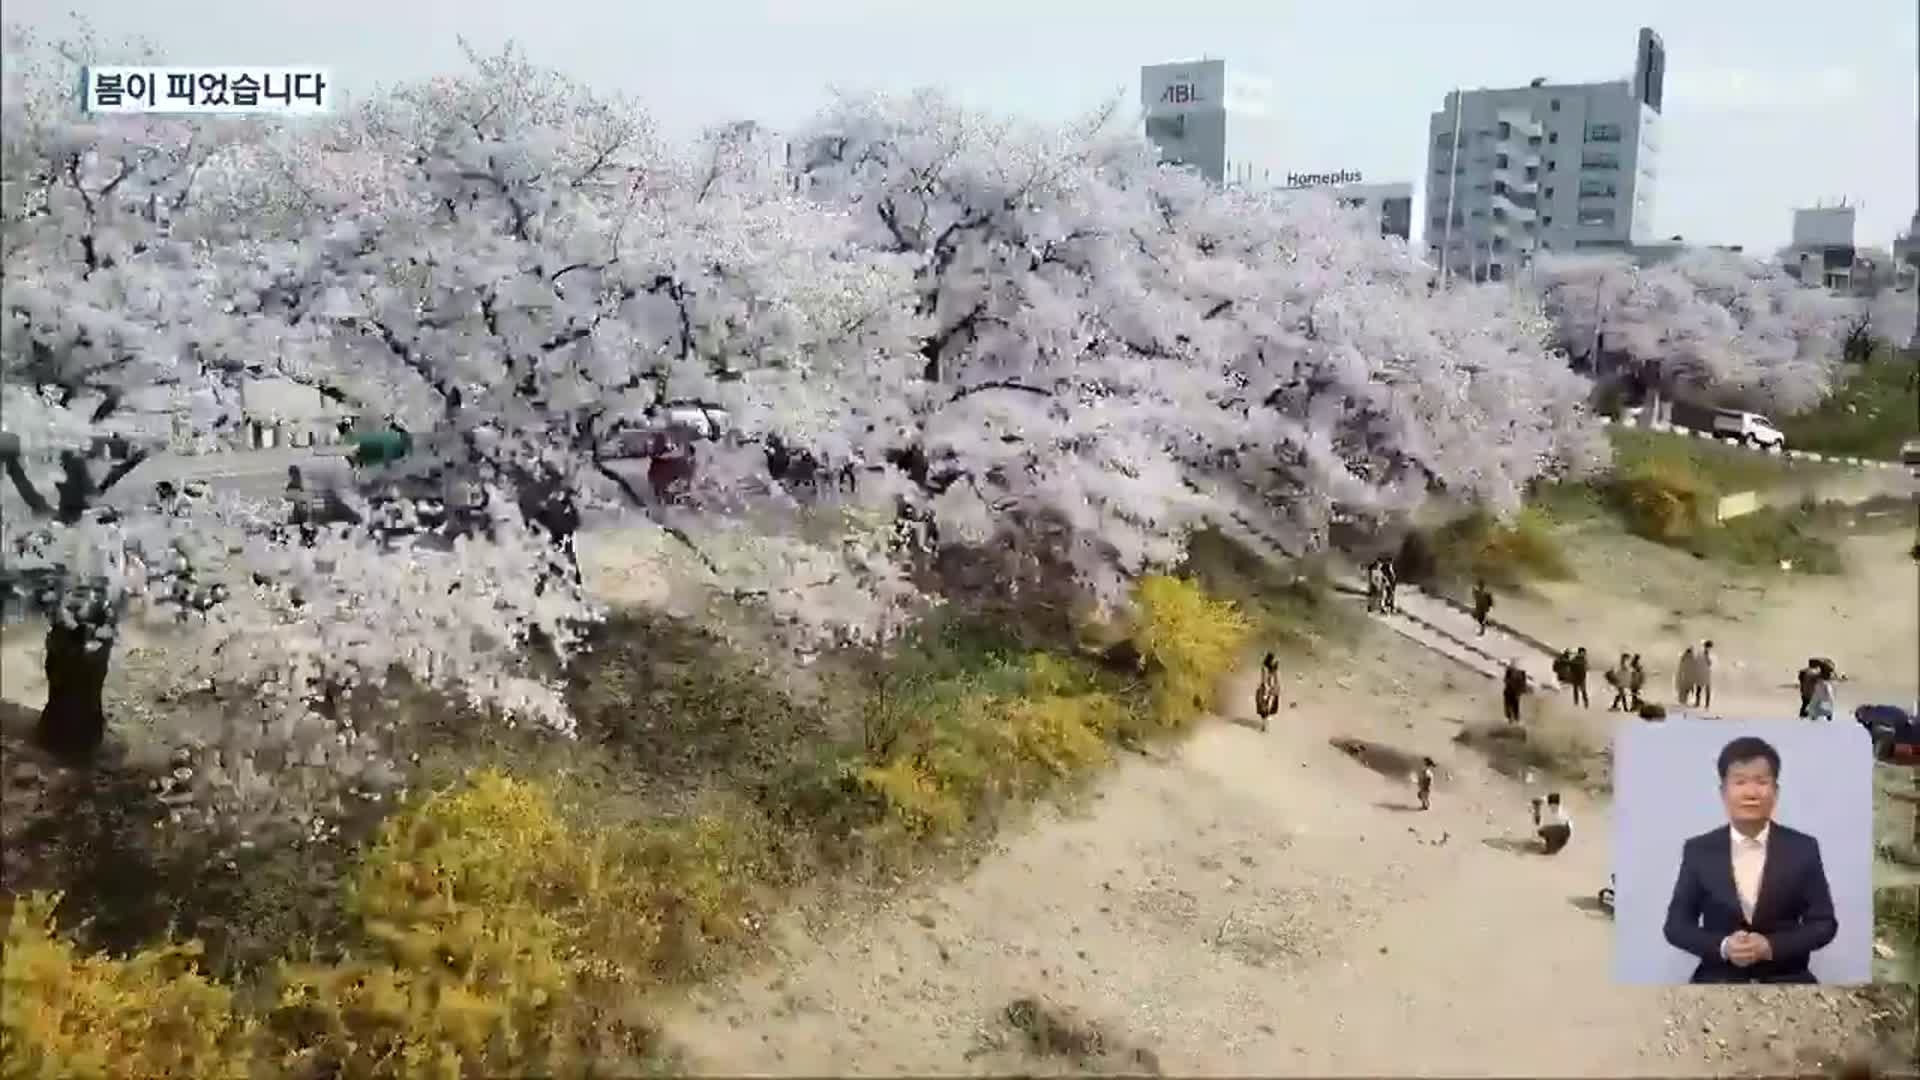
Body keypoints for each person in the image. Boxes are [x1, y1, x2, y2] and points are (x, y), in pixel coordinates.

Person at [1662, 736, 1837, 984]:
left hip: (1787, 978)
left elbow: (1824, 924)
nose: (1751, 793)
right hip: (1718, 980)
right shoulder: (1698, 850)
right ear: (1723, 792)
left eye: (1761, 782)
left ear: (1775, 791)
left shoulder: (1803, 848)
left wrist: (1771, 946)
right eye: (1740, 782)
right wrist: (1723, 946)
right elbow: (1676, 926)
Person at [1254, 652, 1281, 732]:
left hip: (1271, 689)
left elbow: (1276, 680)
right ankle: (1264, 728)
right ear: (1270, 660)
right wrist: (1268, 691)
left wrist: (1276, 689)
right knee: (1265, 710)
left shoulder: (1274, 669)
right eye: (1274, 660)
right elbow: (1265, 680)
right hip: (1265, 689)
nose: (1275, 661)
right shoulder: (1265, 668)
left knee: (1269, 710)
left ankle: (1265, 727)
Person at [1693, 641, 1715, 710]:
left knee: (1705, 689)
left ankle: (1706, 705)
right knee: (1700, 689)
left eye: (1709, 647)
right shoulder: (1701, 653)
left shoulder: (1708, 654)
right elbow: (1697, 661)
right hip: (1703, 673)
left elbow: (1710, 663)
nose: (1708, 648)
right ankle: (1698, 703)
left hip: (1706, 673)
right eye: (1708, 647)